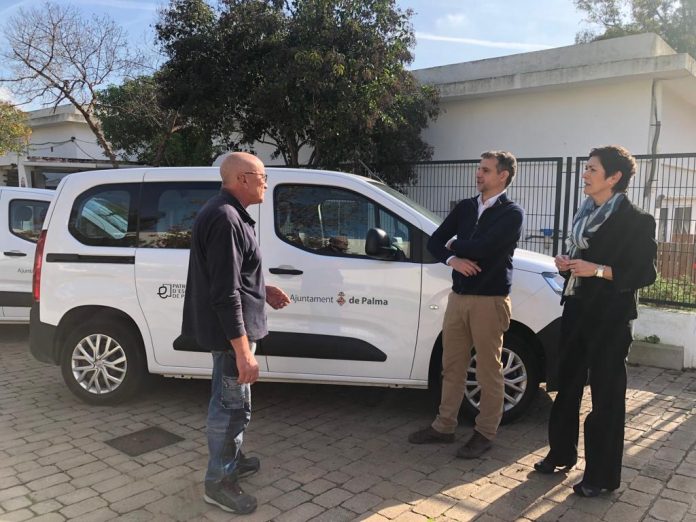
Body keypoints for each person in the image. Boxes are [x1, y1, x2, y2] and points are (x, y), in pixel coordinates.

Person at [534, 145, 657, 497]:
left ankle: (601, 477)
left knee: (606, 398)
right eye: (585, 168)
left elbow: (645, 273)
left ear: (614, 177)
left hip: (611, 320)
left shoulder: (637, 220)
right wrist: (568, 264)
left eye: (591, 169)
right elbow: (582, 258)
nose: (584, 174)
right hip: (576, 310)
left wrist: (598, 270)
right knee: (565, 386)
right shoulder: (585, 214)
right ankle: (560, 454)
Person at [181, 152, 290, 514]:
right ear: (242, 179)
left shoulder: (229, 214)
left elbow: (235, 275)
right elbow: (224, 293)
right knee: (230, 409)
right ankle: (219, 481)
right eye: (262, 176)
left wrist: (264, 289)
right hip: (230, 337)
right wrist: (243, 351)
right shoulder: (226, 218)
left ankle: (233, 458)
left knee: (235, 406)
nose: (266, 182)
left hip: (232, 332)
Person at [408, 151, 524, 458]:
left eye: (485, 170)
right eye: (478, 169)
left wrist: (454, 244)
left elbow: (485, 248)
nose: (478, 174)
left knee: (488, 370)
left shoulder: (512, 213)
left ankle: (485, 433)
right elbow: (434, 242)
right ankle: (444, 427)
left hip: (491, 301)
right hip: (458, 299)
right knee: (452, 366)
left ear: (503, 176)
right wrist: (452, 259)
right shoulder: (465, 207)